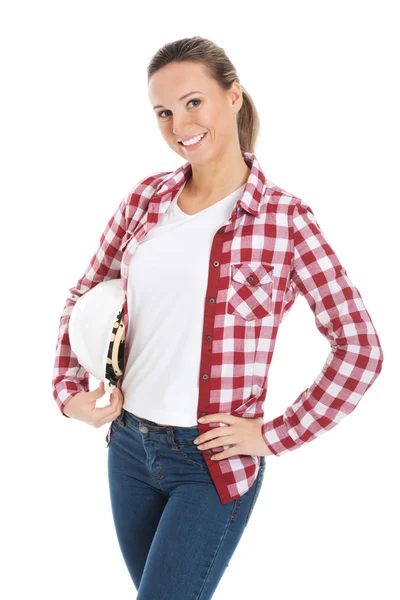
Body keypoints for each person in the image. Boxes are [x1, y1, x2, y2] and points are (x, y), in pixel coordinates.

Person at [52, 36, 384, 599]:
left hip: (211, 465)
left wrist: (274, 435)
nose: (179, 124)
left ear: (233, 97)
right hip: (129, 450)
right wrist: (68, 392)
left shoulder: (285, 220)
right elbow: (83, 294)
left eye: (192, 102)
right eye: (163, 111)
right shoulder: (143, 201)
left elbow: (360, 348)